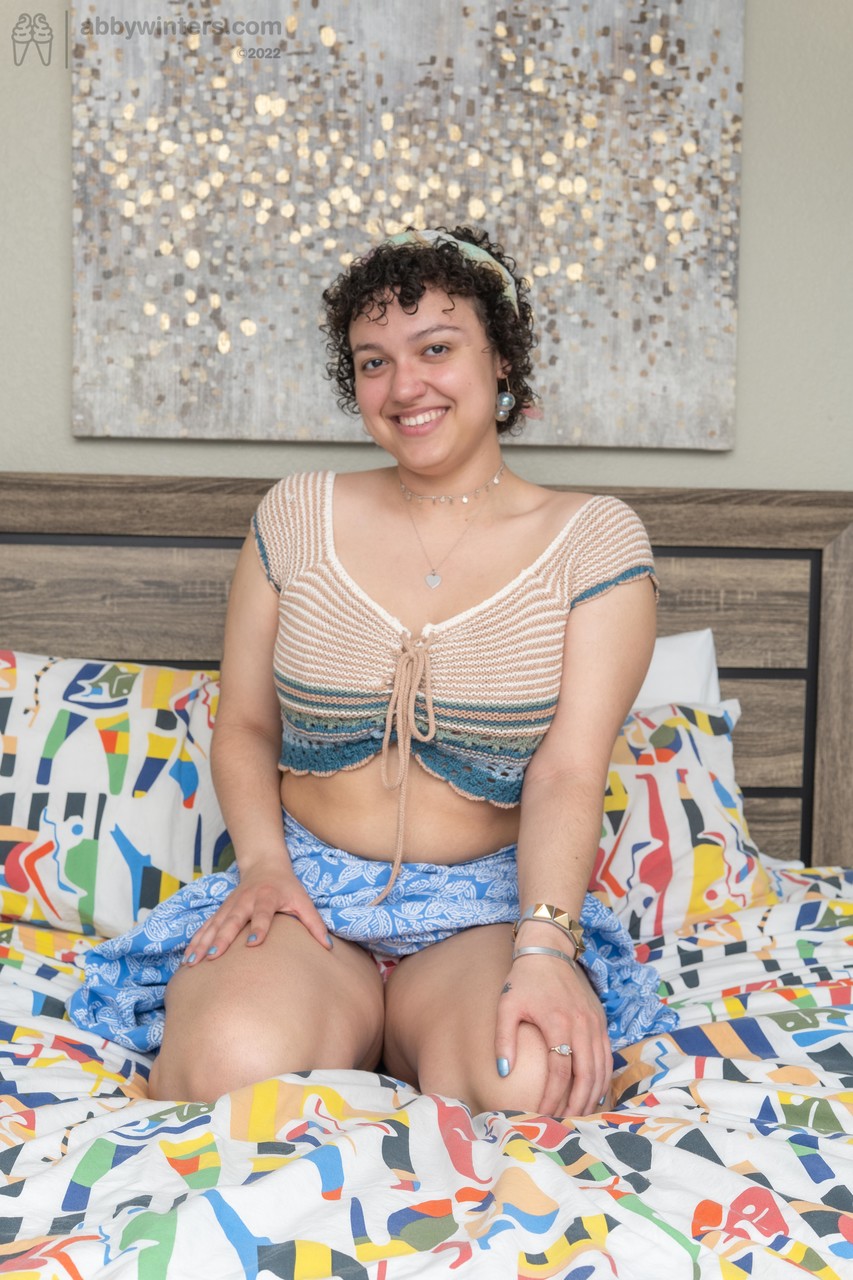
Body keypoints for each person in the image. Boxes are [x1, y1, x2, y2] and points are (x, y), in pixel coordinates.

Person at [70, 226, 676, 1116]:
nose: (404, 387)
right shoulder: (295, 514)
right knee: (224, 1070)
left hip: (482, 911)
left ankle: (415, 1032)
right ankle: (345, 1023)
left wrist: (545, 946)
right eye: (372, 362)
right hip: (305, 897)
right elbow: (246, 723)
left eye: (436, 349)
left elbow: (568, 769)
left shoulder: (592, 541)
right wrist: (264, 867)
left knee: (532, 1083)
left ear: (501, 359)